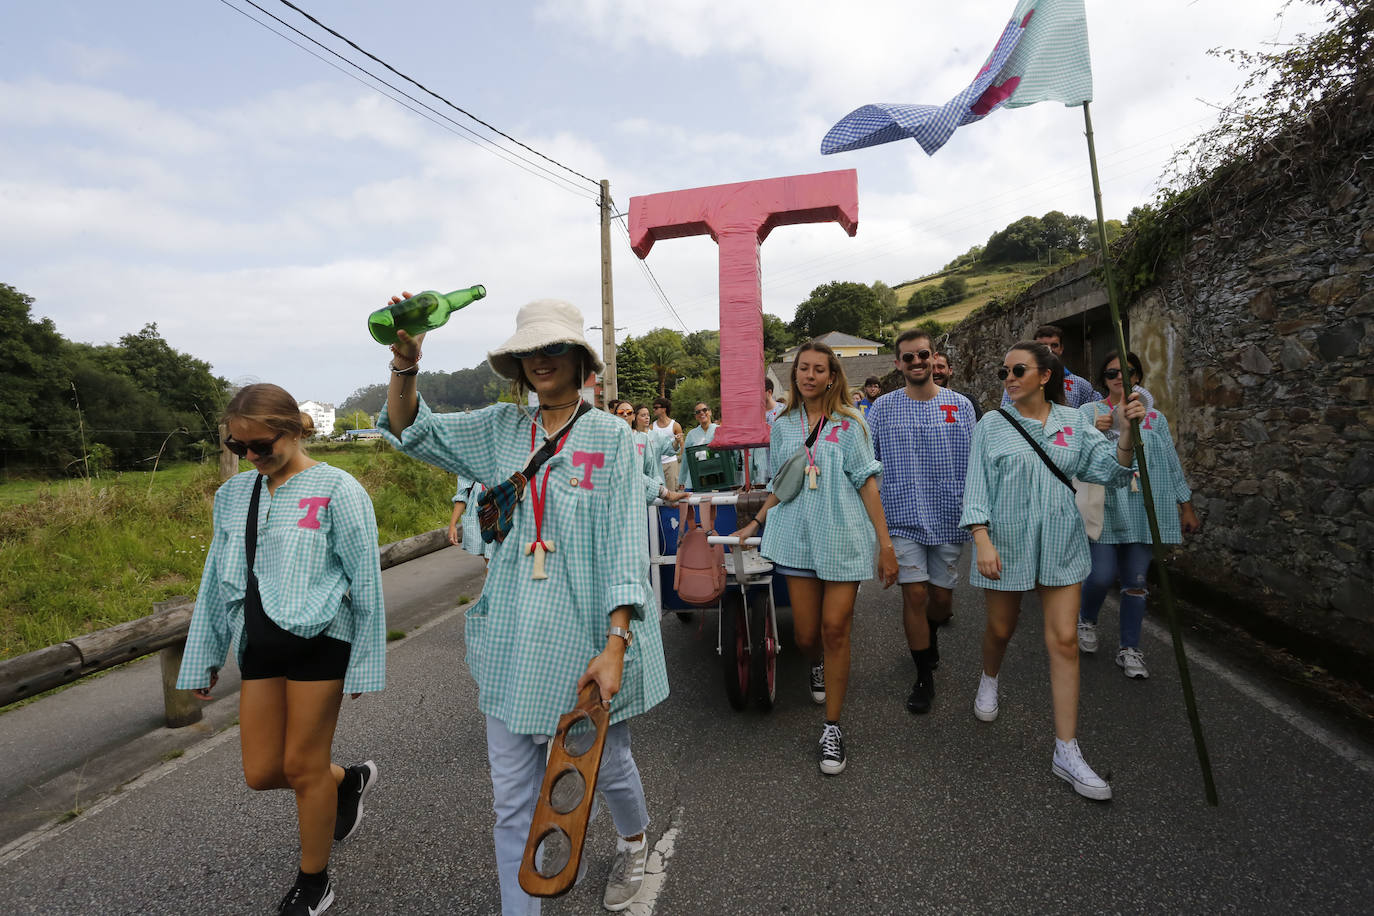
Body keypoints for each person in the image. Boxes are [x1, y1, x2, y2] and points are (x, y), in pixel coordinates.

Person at [378, 295, 669, 914]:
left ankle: (634, 839)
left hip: (586, 628)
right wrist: (406, 362)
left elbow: (623, 544)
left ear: (579, 359)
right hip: (512, 636)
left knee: (606, 765)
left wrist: (616, 643)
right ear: (517, 363)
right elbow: (410, 430)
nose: (541, 359)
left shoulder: (614, 438)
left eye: (554, 347)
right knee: (513, 798)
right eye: (529, 350)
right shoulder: (499, 430)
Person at [177, 384, 385, 916]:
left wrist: (366, 660)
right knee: (263, 771)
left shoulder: (338, 489)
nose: (250, 455)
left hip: (323, 641)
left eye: (261, 444)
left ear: (293, 430)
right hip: (260, 643)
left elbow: (365, 580)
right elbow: (214, 581)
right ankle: (348, 781)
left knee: (301, 765)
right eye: (238, 445)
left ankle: (314, 884)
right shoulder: (234, 496)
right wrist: (203, 656)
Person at [960, 341, 1146, 802]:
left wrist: (1125, 432)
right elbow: (976, 486)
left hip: (1063, 544)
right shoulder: (991, 425)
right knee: (1001, 629)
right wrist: (981, 538)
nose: (1009, 377)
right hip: (1006, 543)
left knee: (1063, 641)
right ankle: (989, 676)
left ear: (1045, 376)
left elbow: (1111, 472)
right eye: (1005, 370)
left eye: (1018, 369)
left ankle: (1067, 751)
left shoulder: (1073, 421)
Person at [732, 341, 898, 775]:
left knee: (835, 628)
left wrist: (885, 545)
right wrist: (755, 524)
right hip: (798, 537)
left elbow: (867, 483)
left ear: (832, 376)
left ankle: (833, 727)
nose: (808, 375)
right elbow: (783, 482)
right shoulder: (783, 425)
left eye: (817, 369)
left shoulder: (852, 424)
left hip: (843, 536)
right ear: (796, 375)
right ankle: (817, 664)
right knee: (807, 637)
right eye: (802, 368)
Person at [866, 330, 976, 715]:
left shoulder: (961, 406)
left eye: (922, 355)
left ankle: (931, 636)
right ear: (898, 364)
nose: (916, 362)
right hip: (902, 517)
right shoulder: (881, 409)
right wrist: (879, 535)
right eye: (908, 357)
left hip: (948, 517)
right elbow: (869, 466)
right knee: (914, 595)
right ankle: (922, 676)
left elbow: (977, 466)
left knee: (941, 603)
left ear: (934, 358)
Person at [1078, 351, 1200, 678]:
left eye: (1128, 371)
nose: (1120, 377)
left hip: (1144, 509)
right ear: (1102, 379)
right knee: (1101, 576)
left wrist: (1184, 503)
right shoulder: (1088, 413)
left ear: (1138, 376)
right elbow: (1072, 454)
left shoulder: (1154, 419)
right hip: (1104, 507)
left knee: (1136, 582)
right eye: (1112, 372)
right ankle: (1086, 620)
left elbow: (1169, 462)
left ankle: (1129, 648)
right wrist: (1094, 429)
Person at [1000, 325, 1103, 410]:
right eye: (1043, 346)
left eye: (1054, 345)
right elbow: (1005, 415)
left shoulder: (1080, 384)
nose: (1049, 350)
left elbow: (1101, 409)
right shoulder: (1017, 384)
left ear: (1061, 348)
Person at [451, 474, 495, 565]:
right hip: (480, 516)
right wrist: (452, 524)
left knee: (493, 560)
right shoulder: (468, 464)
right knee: (490, 560)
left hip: (503, 510)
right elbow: (461, 496)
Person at [932, 351, 984, 420]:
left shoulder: (968, 401)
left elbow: (979, 429)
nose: (936, 371)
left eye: (940, 367)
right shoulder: (921, 403)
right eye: (932, 368)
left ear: (950, 370)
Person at [680, 402, 718, 491]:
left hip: (718, 475)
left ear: (710, 412)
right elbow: (686, 458)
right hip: (699, 476)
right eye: (698, 412)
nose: (701, 413)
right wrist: (682, 480)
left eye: (704, 410)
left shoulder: (720, 430)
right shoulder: (691, 434)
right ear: (696, 416)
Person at [649, 396, 684, 491]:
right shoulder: (652, 426)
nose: (654, 410)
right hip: (658, 464)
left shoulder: (675, 425)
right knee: (659, 492)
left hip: (671, 462)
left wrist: (683, 462)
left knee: (672, 491)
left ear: (664, 409)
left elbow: (682, 445)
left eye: (656, 407)